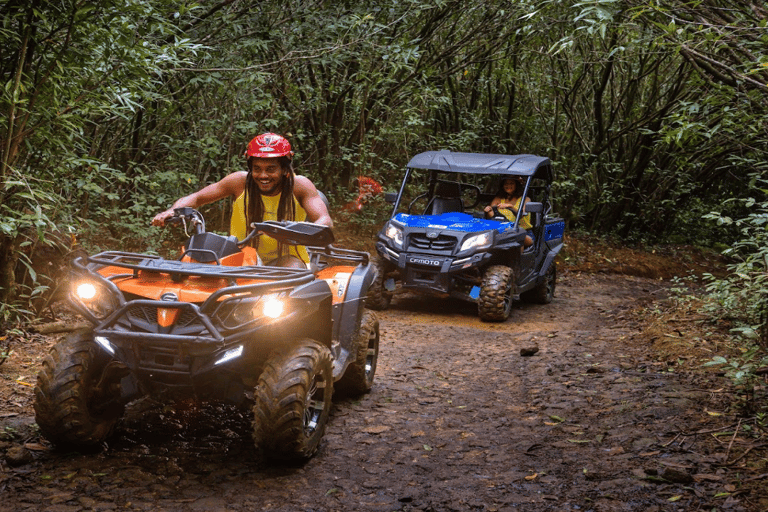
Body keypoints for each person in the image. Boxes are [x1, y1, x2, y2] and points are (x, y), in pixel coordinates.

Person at [152, 132, 332, 268]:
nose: (263, 175)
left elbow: (324, 219)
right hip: (239, 257)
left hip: (287, 261)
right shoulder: (239, 182)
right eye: (257, 168)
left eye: (271, 169)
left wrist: (306, 231)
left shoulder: (299, 185)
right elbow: (196, 198)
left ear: (285, 169)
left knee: (291, 278)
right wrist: (171, 211)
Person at [484, 177, 533, 247]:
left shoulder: (525, 199)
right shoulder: (499, 199)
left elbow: (522, 214)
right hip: (501, 232)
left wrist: (510, 206)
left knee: (517, 241)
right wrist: (488, 210)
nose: (508, 186)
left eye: (511, 183)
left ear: (516, 185)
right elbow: (492, 216)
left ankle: (516, 257)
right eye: (506, 184)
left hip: (522, 232)